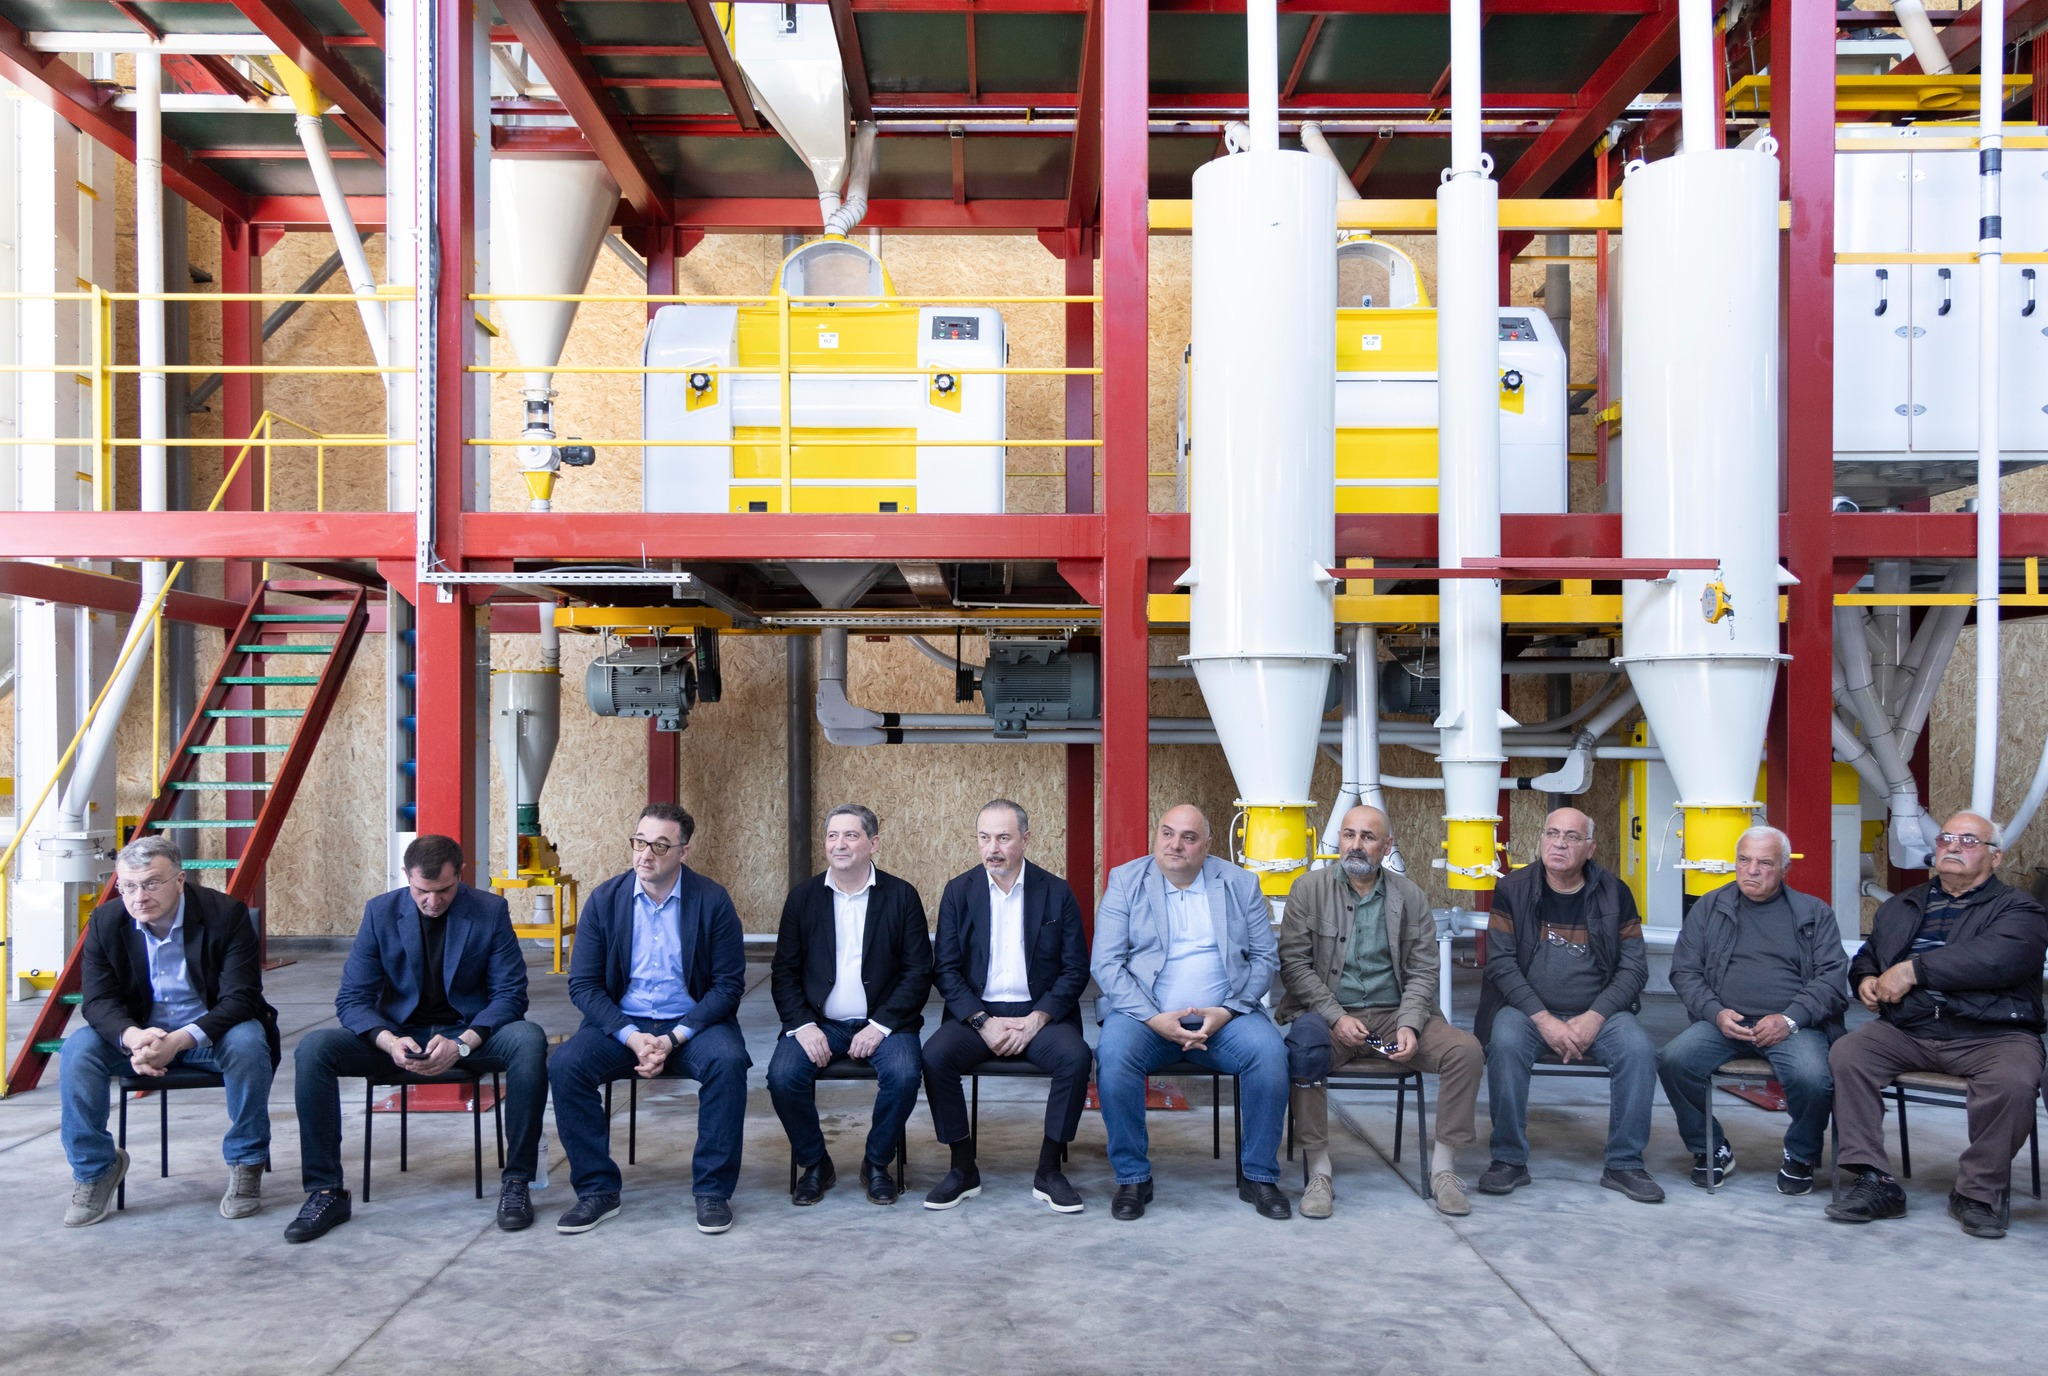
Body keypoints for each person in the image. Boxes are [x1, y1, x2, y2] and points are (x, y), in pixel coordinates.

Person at [286, 834, 548, 1242]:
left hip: (466, 1034)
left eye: (444, 890)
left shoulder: (489, 910)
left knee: (529, 1040)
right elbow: (353, 998)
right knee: (314, 1049)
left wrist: (463, 1042)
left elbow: (511, 995)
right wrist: (388, 1041)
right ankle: (325, 1191)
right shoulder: (380, 912)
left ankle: (517, 1182)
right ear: (406, 876)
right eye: (422, 891)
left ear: (460, 875)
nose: (432, 901)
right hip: (398, 1037)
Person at [1827, 811, 2048, 1238]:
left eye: (1969, 840)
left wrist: (1913, 971)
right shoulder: (1903, 904)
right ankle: (1874, 1180)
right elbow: (1870, 955)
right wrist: (1866, 980)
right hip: (1909, 1029)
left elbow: (1998, 960)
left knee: (2015, 1081)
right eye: (1946, 838)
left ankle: (1976, 1193)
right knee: (1848, 1054)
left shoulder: (2020, 908)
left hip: (1992, 1034)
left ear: (1996, 857)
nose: (1954, 846)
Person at [546, 804, 752, 1236]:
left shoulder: (712, 900)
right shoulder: (605, 900)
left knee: (728, 1062)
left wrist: (674, 1037)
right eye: (640, 842)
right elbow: (583, 985)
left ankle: (712, 1191)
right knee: (566, 1064)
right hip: (623, 1024)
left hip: (693, 1023)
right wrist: (633, 1037)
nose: (645, 854)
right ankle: (597, 1191)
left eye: (659, 846)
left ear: (683, 852)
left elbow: (728, 985)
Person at [59, 834, 278, 1227]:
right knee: (79, 1049)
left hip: (209, 1037)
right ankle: (95, 1170)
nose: (139, 897)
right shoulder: (106, 921)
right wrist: (133, 1038)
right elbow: (97, 1001)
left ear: (179, 881)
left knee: (248, 1040)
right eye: (128, 886)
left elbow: (241, 998)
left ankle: (247, 1162)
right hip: (142, 1040)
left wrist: (178, 1041)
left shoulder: (225, 915)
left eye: (151, 884)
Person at [1277, 804, 1484, 1218]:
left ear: (1386, 846)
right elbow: (1294, 966)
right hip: (1329, 1014)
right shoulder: (1308, 889)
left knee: (1466, 1051)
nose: (1355, 845)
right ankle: (1319, 1171)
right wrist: (1337, 1016)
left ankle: (1444, 1171)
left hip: (1393, 1013)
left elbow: (1424, 970)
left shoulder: (1411, 896)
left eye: (1367, 837)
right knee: (1304, 1051)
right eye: (1349, 834)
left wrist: (1410, 1023)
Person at [1091, 804, 1292, 1222]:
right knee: (1114, 1055)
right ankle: (1132, 1177)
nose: (1175, 845)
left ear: (1208, 845)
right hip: (1145, 1018)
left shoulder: (1240, 884)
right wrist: (1153, 1018)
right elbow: (1106, 964)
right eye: (1167, 833)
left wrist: (1227, 1011)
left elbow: (1264, 959)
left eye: (1188, 837)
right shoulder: (1126, 881)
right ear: (1156, 837)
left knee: (1270, 1055)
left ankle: (1258, 1175)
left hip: (1226, 1018)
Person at [1475, 807, 1663, 1203]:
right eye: (1552, 833)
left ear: (1590, 849)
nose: (1559, 843)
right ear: (1542, 839)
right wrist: (1544, 1020)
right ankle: (1508, 1159)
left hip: (1599, 1015)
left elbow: (1634, 968)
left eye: (1572, 837)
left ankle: (1625, 1163)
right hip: (1528, 1013)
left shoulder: (1616, 893)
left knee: (1638, 1050)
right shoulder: (1513, 889)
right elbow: (1501, 964)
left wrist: (1594, 1017)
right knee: (1504, 1041)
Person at [1656, 826, 1847, 1195]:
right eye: (1743, 860)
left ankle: (1800, 1155)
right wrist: (1714, 1012)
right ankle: (1710, 1147)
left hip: (1793, 1026)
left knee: (1812, 1078)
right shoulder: (1710, 907)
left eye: (1765, 863)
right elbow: (1685, 971)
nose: (1752, 870)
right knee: (1673, 1061)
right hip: (1725, 1023)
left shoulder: (1813, 913)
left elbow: (1832, 979)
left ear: (1785, 868)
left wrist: (1790, 1018)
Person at [921, 799, 1092, 1213]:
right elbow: (946, 969)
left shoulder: (1056, 891)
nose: (992, 849)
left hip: (1040, 1013)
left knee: (1076, 1058)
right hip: (977, 1013)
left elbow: (1075, 969)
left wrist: (1036, 1019)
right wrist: (982, 1021)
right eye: (984, 838)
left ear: (1025, 839)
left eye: (1003, 838)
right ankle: (962, 1167)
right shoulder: (959, 891)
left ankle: (1049, 1170)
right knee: (935, 1056)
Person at [768, 804, 933, 1206]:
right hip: (819, 1022)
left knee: (904, 1075)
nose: (839, 844)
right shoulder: (803, 898)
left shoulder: (901, 896)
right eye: (832, 835)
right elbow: (784, 972)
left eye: (851, 835)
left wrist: (881, 1025)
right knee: (783, 1076)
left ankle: (876, 1163)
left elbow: (918, 971)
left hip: (885, 1023)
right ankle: (815, 1163)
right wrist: (802, 1025)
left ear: (873, 844)